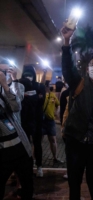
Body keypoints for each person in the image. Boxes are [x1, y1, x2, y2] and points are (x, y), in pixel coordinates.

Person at [61, 26, 93, 200]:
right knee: (74, 185)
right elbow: (67, 69)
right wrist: (67, 42)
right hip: (76, 144)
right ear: (87, 68)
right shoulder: (79, 84)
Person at [0, 65, 33, 200]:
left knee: (28, 185)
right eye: (1, 71)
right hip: (2, 151)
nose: (3, 74)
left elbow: (16, 106)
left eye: (5, 71)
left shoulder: (9, 89)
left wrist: (7, 85)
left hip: (20, 146)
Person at [22, 65, 46, 177]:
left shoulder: (40, 86)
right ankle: (25, 167)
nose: (28, 77)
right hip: (24, 120)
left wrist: (26, 97)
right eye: (26, 75)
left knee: (37, 144)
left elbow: (41, 101)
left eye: (30, 75)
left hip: (37, 120)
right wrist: (35, 97)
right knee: (24, 145)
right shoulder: (20, 85)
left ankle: (39, 167)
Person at [43, 85, 63, 163]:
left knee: (53, 140)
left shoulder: (52, 95)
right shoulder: (40, 95)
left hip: (50, 121)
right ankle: (34, 159)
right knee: (38, 141)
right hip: (41, 121)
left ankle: (55, 158)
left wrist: (56, 112)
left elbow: (58, 104)